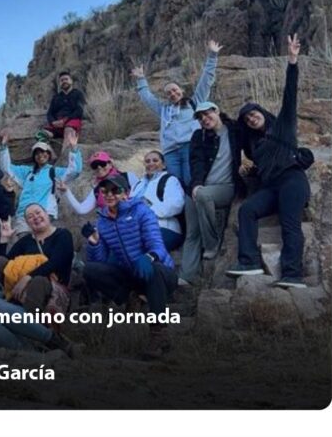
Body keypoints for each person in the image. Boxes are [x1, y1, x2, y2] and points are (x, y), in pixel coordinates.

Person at [227, 34, 311, 288]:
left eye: (254, 114)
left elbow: (290, 95)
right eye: (248, 119)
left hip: (292, 182)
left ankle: (292, 275)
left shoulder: (283, 126)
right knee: (247, 210)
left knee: (290, 224)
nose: (252, 119)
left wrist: (292, 61)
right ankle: (249, 261)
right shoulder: (255, 146)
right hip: (271, 187)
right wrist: (247, 170)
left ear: (262, 113)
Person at [83, 175, 177, 359]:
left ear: (126, 193)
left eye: (115, 190)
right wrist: (94, 243)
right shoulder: (102, 221)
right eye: (105, 191)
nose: (109, 195)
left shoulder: (142, 211)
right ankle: (130, 298)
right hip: (131, 275)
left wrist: (148, 257)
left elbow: (157, 245)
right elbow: (100, 261)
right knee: (90, 270)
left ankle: (159, 334)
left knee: (154, 269)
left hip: (159, 273)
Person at [131, 40, 222, 187]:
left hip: (189, 146)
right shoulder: (164, 110)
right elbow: (148, 98)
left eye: (175, 90)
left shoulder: (195, 102)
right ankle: (181, 210)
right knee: (175, 185)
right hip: (170, 153)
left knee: (190, 180)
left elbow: (206, 80)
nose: (173, 94)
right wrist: (141, 79)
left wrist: (212, 56)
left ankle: (195, 207)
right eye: (169, 93)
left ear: (182, 90)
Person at [178, 102, 243, 286]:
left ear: (217, 111)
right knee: (192, 232)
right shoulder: (199, 136)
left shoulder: (235, 130)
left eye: (207, 114)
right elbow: (196, 162)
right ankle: (186, 276)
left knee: (204, 196)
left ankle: (212, 243)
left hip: (227, 187)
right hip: (202, 186)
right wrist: (196, 184)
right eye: (200, 118)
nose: (205, 120)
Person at [0, 203, 74, 315]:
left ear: (46, 214)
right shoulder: (26, 241)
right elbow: (4, 263)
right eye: (30, 217)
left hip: (50, 286)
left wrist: (28, 277)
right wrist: (3, 240)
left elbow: (56, 262)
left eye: (38, 212)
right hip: (20, 285)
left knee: (38, 281)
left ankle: (29, 325)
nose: (35, 217)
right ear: (27, 223)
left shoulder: (63, 235)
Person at [0, 129, 82, 234]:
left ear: (49, 154)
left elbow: (74, 171)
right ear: (34, 157)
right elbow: (6, 168)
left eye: (43, 152)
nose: (40, 155)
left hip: (44, 213)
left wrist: (74, 149)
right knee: (25, 245)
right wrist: (3, 146)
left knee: (42, 245)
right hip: (23, 215)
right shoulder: (26, 172)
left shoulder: (54, 172)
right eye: (37, 153)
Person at [129, 151, 186, 252]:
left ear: (163, 165)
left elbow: (176, 205)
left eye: (155, 160)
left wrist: (147, 210)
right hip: (137, 229)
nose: (151, 163)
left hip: (163, 227)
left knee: (135, 253)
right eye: (147, 161)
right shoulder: (137, 184)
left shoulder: (169, 180)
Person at [58, 150, 138, 216]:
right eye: (95, 165)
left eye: (102, 164)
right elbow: (82, 209)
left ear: (110, 164)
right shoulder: (97, 190)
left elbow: (140, 197)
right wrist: (66, 191)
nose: (99, 167)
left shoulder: (128, 177)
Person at [43, 70, 85, 149]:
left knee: (68, 131)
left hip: (71, 121)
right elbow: (49, 113)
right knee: (42, 135)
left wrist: (65, 120)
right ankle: (51, 157)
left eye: (66, 79)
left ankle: (64, 159)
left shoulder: (78, 94)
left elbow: (79, 110)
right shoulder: (56, 97)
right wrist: (53, 122)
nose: (64, 81)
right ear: (60, 83)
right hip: (57, 125)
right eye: (62, 80)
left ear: (71, 81)